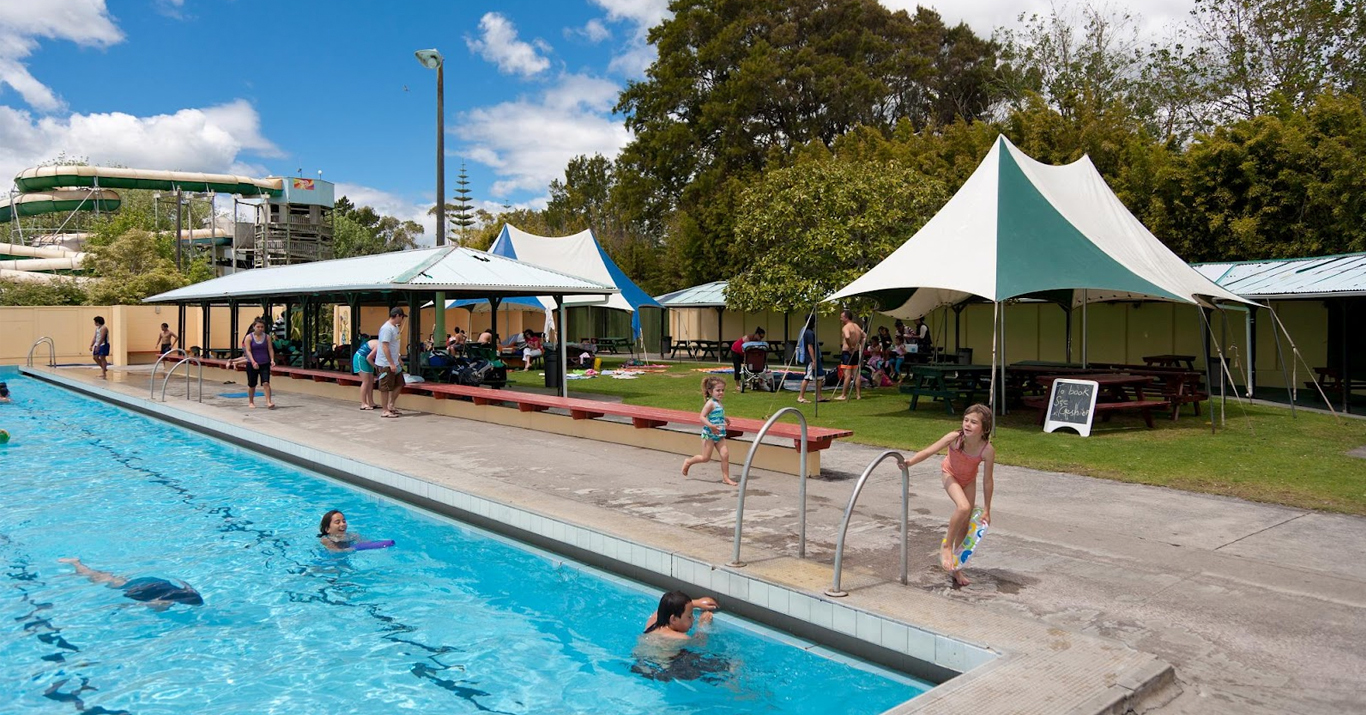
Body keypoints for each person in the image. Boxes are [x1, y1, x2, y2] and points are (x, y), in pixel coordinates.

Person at [901, 404, 995, 587]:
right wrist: (910, 462)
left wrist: (987, 509)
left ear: (984, 428)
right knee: (964, 507)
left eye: (973, 422)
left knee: (965, 524)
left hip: (969, 481)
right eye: (966, 420)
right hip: (950, 474)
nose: (967, 424)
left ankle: (956, 568)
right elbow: (930, 450)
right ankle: (946, 546)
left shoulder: (987, 450)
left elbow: (988, 481)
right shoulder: (955, 438)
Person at [58, 557, 202, 608]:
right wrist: (122, 606)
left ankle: (88, 570)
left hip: (154, 582)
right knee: (102, 580)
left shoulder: (188, 591)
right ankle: (77, 564)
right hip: (142, 587)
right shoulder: (165, 602)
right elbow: (142, 605)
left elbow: (183, 583)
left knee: (115, 580)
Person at [681, 376, 736, 486]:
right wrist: (711, 426)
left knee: (725, 455)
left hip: (719, 434)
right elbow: (702, 417)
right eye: (718, 390)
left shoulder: (719, 402)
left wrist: (725, 418)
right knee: (705, 458)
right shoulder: (710, 403)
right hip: (709, 434)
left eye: (722, 390)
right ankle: (688, 462)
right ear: (710, 391)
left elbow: (717, 414)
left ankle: (726, 477)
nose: (721, 393)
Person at [642, 591, 719, 639]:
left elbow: (661, 608)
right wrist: (703, 625)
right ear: (673, 619)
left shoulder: (652, 623)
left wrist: (697, 603)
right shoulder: (680, 638)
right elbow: (699, 644)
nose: (693, 619)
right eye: (689, 616)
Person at [374, 307, 406, 418]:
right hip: (385, 363)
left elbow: (394, 346)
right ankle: (385, 410)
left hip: (395, 362)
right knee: (385, 387)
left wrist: (398, 359)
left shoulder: (395, 328)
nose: (402, 320)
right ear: (397, 316)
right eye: (401, 317)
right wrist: (391, 363)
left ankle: (391, 405)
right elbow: (385, 346)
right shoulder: (386, 329)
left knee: (400, 383)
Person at [242, 319, 276, 409]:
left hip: (264, 363)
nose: (260, 329)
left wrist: (272, 359)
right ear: (254, 327)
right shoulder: (249, 337)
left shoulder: (267, 337)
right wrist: (253, 361)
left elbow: (270, 349)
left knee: (266, 382)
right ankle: (251, 401)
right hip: (252, 363)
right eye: (258, 327)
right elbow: (248, 351)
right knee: (252, 384)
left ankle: (268, 401)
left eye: (262, 327)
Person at [834, 309, 865, 401]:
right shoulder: (856, 326)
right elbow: (864, 336)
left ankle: (843, 395)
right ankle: (858, 395)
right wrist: (861, 346)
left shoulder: (846, 327)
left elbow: (847, 336)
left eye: (842, 317)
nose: (840, 319)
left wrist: (851, 346)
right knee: (856, 374)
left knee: (847, 375)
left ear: (846, 318)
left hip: (847, 352)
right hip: (856, 352)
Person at [796, 315, 826, 404]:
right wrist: (813, 360)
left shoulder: (809, 332)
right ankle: (800, 397)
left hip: (816, 357)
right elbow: (810, 347)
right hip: (811, 359)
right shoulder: (808, 333)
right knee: (807, 377)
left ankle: (819, 396)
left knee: (820, 377)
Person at [353, 336, 380, 410]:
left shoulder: (382, 344)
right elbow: (369, 358)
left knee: (371, 381)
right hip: (361, 358)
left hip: (367, 360)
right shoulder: (379, 345)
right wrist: (376, 367)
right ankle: (363, 403)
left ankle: (371, 402)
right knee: (366, 381)